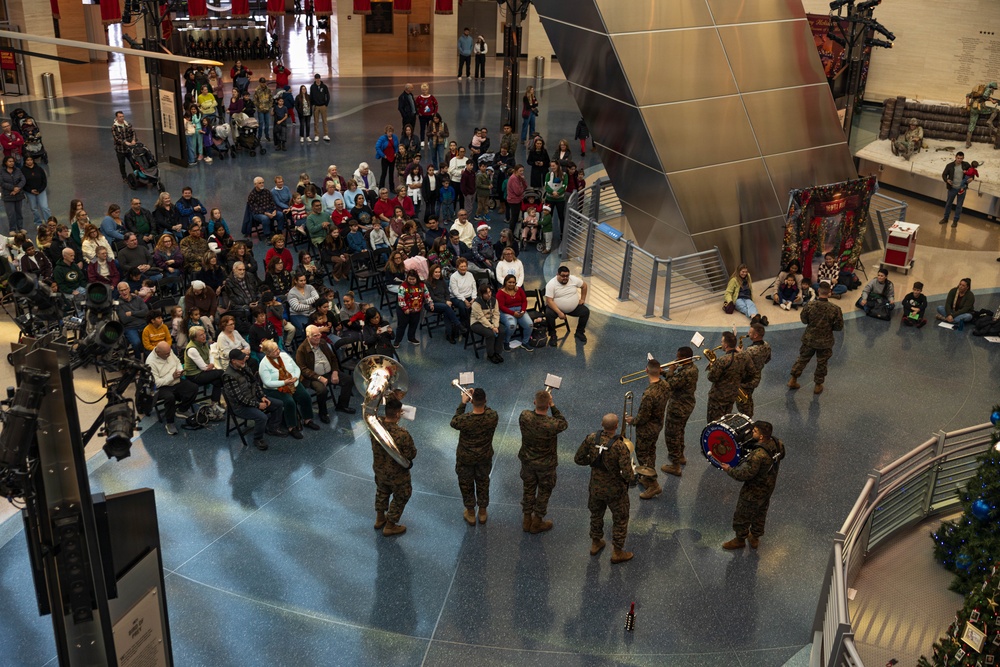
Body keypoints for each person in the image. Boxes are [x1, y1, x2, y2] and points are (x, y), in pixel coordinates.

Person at [574, 413, 636, 563]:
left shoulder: (591, 438)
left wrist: (594, 462)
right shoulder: (620, 446)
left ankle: (596, 543)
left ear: (602, 424)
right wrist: (633, 477)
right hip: (615, 491)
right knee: (620, 519)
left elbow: (578, 459)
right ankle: (617, 552)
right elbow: (628, 474)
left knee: (596, 515)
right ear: (616, 426)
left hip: (595, 487)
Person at [715, 421, 785, 550]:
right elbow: (782, 455)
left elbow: (744, 475)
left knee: (742, 514)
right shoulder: (777, 443)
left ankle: (740, 539)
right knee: (761, 512)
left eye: (755, 431)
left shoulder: (758, 456)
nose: (752, 432)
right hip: (768, 486)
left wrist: (728, 469)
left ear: (762, 437)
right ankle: (755, 537)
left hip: (753, 490)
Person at [518, 390, 568, 534]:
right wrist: (553, 405)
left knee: (528, 489)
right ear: (547, 406)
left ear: (534, 403)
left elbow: (533, 412)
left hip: (527, 462)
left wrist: (543, 401)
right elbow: (564, 423)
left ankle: (527, 519)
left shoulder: (524, 416)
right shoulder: (553, 424)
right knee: (544, 492)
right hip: (546, 465)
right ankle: (537, 523)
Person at [450, 387, 499, 525]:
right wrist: (476, 400)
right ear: (485, 401)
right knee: (483, 482)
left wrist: (463, 402)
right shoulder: (492, 416)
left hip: (465, 459)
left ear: (472, 402)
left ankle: (471, 513)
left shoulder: (464, 420)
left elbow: (454, 421)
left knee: (466, 484)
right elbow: (486, 409)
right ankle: (482, 512)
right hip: (484, 458)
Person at [222, 349, 286, 451]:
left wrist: (262, 396)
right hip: (240, 407)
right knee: (262, 417)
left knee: (279, 404)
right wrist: (257, 404)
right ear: (233, 361)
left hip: (253, 398)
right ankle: (258, 439)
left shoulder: (244, 366)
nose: (244, 360)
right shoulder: (229, 376)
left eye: (243, 358)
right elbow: (239, 399)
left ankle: (273, 428)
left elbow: (255, 383)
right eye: (241, 359)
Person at [371, 397, 417, 536]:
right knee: (402, 495)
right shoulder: (402, 434)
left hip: (379, 469)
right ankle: (390, 525)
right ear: (398, 414)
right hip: (397, 474)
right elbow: (411, 454)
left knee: (382, 491)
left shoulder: (375, 428)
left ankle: (380, 519)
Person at [625, 358, 669, 499]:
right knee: (651, 451)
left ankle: (653, 485)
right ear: (660, 371)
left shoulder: (649, 394)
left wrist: (632, 420)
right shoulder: (666, 385)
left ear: (646, 370)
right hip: (657, 425)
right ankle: (647, 475)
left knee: (643, 455)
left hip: (647, 429)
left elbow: (643, 417)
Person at [788, 282, 844, 395]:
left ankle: (793, 380)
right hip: (825, 341)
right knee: (822, 362)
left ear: (818, 291)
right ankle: (818, 385)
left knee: (802, 359)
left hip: (809, 339)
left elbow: (804, 320)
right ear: (829, 293)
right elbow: (839, 327)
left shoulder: (809, 305)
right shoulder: (835, 309)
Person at [258, 339, 318, 438]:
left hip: (292, 382)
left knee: (305, 396)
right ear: (268, 354)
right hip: (275, 388)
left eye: (277, 349)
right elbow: (267, 383)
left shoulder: (284, 356)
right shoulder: (263, 365)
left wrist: (295, 377)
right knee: (289, 402)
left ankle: (308, 420)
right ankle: (292, 427)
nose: (278, 351)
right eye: (275, 351)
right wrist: (284, 382)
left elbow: (296, 368)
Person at [296, 325, 355, 424]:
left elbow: (333, 358)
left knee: (348, 380)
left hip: (329, 372)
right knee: (322, 390)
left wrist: (335, 372)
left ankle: (342, 405)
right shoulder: (301, 350)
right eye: (315, 336)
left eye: (319, 334)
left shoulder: (322, 342)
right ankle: (323, 413)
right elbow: (303, 370)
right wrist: (319, 377)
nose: (318, 337)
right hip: (313, 377)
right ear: (308, 337)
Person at [660, 347, 699, 477]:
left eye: (678, 357)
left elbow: (671, 384)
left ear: (684, 358)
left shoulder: (685, 372)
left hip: (678, 407)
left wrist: (670, 370)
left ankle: (675, 465)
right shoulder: (692, 369)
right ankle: (680, 456)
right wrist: (663, 373)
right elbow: (677, 380)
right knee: (679, 432)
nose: (676, 359)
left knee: (671, 435)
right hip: (687, 406)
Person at [146, 341, 199, 436]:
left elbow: (178, 362)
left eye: (170, 352)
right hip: (162, 387)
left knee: (193, 388)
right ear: (158, 353)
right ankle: (170, 423)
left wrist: (179, 370)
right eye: (167, 354)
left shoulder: (168, 352)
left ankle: (182, 409)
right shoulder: (150, 362)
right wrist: (172, 377)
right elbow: (156, 383)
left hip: (175, 380)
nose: (169, 354)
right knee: (170, 397)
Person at [706, 331, 752, 422]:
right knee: (726, 420)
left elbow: (711, 377)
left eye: (722, 342)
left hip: (718, 398)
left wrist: (712, 366)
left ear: (726, 345)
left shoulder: (722, 360)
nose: (721, 344)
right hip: (732, 395)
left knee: (714, 423)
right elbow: (751, 372)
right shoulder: (744, 357)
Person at [183, 326, 226, 418]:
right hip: (194, 375)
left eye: (204, 334)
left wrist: (211, 363)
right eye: (201, 335)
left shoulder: (203, 343)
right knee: (222, 373)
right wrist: (210, 365)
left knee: (218, 381)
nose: (204, 336)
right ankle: (230, 396)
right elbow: (204, 367)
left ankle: (213, 405)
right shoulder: (192, 349)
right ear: (194, 338)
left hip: (203, 372)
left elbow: (210, 355)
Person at [544, 265, 590, 345]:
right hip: (556, 308)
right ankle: (553, 335)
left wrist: (582, 299)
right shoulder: (551, 284)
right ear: (557, 274)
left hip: (573, 308)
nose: (565, 278)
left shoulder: (573, 279)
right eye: (563, 276)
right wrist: (559, 312)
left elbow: (584, 286)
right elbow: (549, 301)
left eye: (567, 276)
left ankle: (579, 332)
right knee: (548, 313)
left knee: (585, 312)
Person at [736, 323, 771, 417]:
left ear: (755, 335)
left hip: (747, 379)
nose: (748, 333)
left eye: (750, 332)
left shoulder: (750, 351)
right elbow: (767, 360)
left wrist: (740, 353)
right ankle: (749, 414)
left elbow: (741, 365)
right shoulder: (767, 345)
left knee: (743, 402)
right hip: (757, 376)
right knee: (749, 397)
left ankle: (746, 418)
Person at [394, 270, 432, 347]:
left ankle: (411, 338)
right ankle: (397, 341)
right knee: (402, 326)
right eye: (410, 279)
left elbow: (427, 294)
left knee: (414, 325)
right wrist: (405, 308)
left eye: (413, 279)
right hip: (404, 310)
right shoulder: (403, 286)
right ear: (407, 278)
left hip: (416, 309)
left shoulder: (422, 285)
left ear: (416, 278)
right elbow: (400, 298)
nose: (411, 281)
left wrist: (430, 303)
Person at [496, 274, 534, 351]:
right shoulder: (500, 293)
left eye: (513, 282)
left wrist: (523, 311)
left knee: (529, 325)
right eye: (509, 282)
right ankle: (506, 342)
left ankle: (525, 342)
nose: (512, 284)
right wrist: (513, 313)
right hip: (506, 311)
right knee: (512, 325)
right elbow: (501, 306)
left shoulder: (519, 289)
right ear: (505, 282)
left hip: (520, 310)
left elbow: (524, 301)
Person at [116, 281, 149, 357]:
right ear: (119, 292)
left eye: (125, 289)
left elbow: (146, 312)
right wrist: (140, 314)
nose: (124, 292)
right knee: (136, 342)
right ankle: (138, 361)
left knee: (150, 339)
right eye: (121, 290)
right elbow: (124, 319)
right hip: (130, 328)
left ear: (129, 289)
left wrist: (132, 313)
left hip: (143, 325)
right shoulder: (118, 304)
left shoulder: (137, 299)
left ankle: (148, 360)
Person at [940, 151, 972, 228]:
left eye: (961, 158)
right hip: (952, 188)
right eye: (958, 158)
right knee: (948, 204)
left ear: (963, 158)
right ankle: (945, 218)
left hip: (962, 189)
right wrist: (947, 180)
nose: (959, 160)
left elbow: (972, 173)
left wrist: (971, 179)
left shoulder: (966, 165)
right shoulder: (950, 166)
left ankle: (955, 221)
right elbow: (944, 174)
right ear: (955, 157)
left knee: (959, 206)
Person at [112, 111, 138, 181]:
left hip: (129, 149)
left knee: (133, 162)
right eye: (120, 117)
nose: (122, 118)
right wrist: (125, 142)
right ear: (117, 118)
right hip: (120, 149)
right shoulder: (114, 127)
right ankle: (124, 177)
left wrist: (133, 140)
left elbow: (133, 132)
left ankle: (137, 175)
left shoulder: (128, 124)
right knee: (122, 164)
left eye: (122, 116)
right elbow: (116, 138)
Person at [309, 74, 331, 142]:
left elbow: (328, 95)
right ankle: (316, 135)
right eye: (316, 78)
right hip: (316, 106)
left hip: (323, 106)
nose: (318, 79)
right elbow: (311, 96)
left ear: (320, 79)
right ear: (315, 79)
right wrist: (312, 104)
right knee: (316, 121)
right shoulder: (312, 87)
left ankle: (326, 134)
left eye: (318, 78)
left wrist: (326, 104)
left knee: (325, 121)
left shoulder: (324, 86)